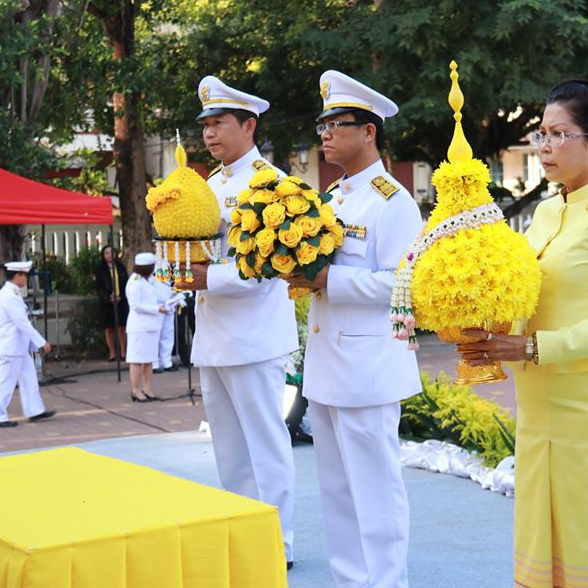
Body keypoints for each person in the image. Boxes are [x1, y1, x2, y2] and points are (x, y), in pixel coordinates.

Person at [459, 79, 588, 588]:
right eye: (541, 135)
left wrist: (528, 347)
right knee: (538, 529)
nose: (543, 147)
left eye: (559, 134)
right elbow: (530, 292)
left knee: (587, 531)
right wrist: (487, 321)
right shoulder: (547, 211)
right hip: (540, 396)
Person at [285, 71, 422, 588]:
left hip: (368, 368)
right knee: (337, 493)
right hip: (327, 364)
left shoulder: (393, 201)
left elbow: (402, 285)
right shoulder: (333, 197)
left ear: (369, 131)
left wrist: (328, 279)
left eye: (336, 123)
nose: (325, 133)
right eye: (322, 123)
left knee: (376, 492)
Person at [174, 76, 299, 566]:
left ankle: (278, 540)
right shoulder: (210, 185)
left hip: (254, 335)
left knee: (265, 443)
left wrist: (209, 279)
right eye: (205, 124)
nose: (209, 133)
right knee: (228, 447)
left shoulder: (271, 184)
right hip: (215, 334)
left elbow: (271, 267)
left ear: (249, 126)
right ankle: (245, 533)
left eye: (219, 123)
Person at [0, 261, 56, 428]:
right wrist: (42, 342)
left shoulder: (13, 293)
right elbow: (22, 323)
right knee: (5, 382)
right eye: (24, 275)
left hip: (18, 346)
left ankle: (35, 410)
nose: (26, 278)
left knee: (29, 377)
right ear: (16, 275)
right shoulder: (10, 295)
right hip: (11, 347)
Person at [124, 252, 165, 402]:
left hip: (151, 325)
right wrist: (157, 309)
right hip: (139, 327)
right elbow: (136, 306)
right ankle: (135, 390)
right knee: (137, 360)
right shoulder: (135, 282)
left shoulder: (148, 280)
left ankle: (147, 388)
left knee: (149, 359)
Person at [95, 245, 128, 361]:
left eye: (111, 252)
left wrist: (121, 296)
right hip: (107, 303)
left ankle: (123, 352)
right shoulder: (100, 269)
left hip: (121, 301)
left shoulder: (120, 267)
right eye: (106, 253)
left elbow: (126, 284)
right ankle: (112, 353)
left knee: (121, 328)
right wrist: (108, 298)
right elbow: (99, 287)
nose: (109, 255)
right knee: (109, 328)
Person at [153, 277, 178, 372]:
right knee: (155, 335)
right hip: (156, 303)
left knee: (168, 334)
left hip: (169, 300)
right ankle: (154, 364)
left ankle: (166, 362)